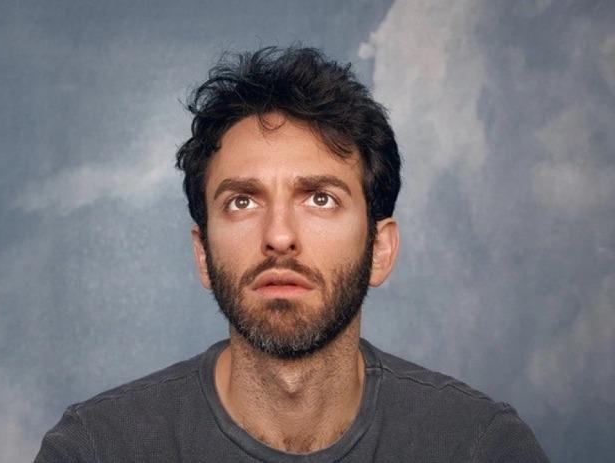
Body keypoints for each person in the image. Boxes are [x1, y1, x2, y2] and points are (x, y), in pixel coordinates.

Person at [34, 46, 549, 462]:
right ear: (202, 253)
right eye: (241, 201)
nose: (279, 236)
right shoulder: (97, 449)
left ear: (381, 249)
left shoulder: (481, 447)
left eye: (320, 198)